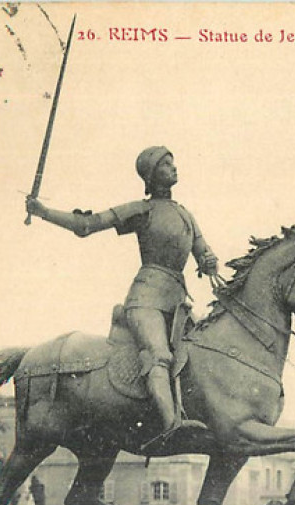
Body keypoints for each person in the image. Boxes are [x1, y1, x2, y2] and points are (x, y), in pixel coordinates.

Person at [26, 147, 219, 450]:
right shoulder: (141, 210)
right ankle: (171, 427)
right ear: (152, 175)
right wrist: (45, 212)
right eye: (165, 164)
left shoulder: (186, 215)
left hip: (178, 303)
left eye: (173, 162)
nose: (174, 167)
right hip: (146, 300)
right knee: (159, 355)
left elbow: (204, 251)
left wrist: (209, 262)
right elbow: (87, 225)